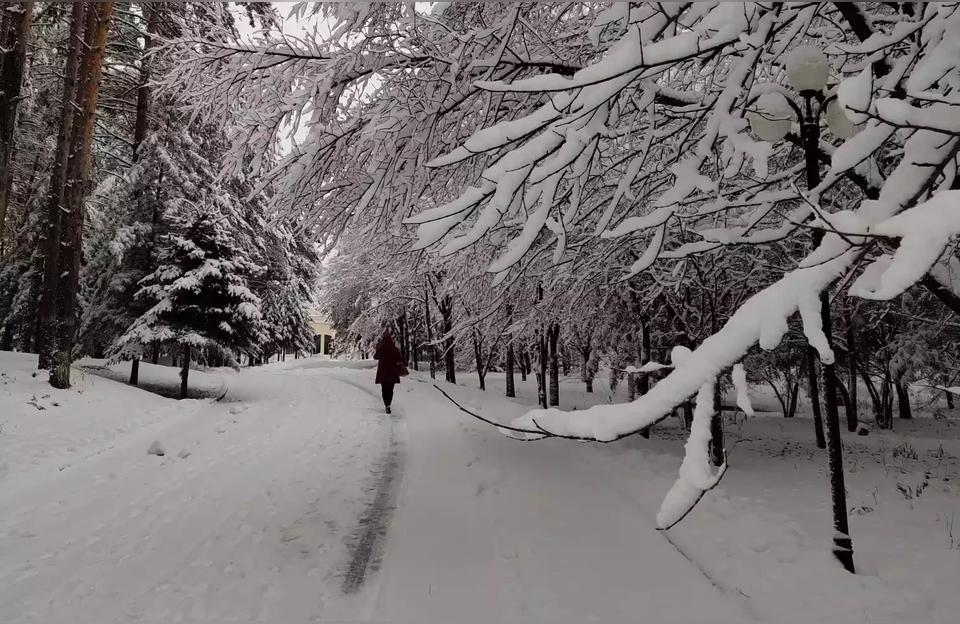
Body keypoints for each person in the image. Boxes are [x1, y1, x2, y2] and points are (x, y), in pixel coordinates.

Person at [374, 329, 405, 414]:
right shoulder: (394, 349)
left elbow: (375, 357)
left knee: (384, 389)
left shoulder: (381, 349)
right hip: (392, 373)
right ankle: (389, 404)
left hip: (383, 374)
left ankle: (386, 405)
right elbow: (400, 359)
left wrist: (379, 347)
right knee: (390, 390)